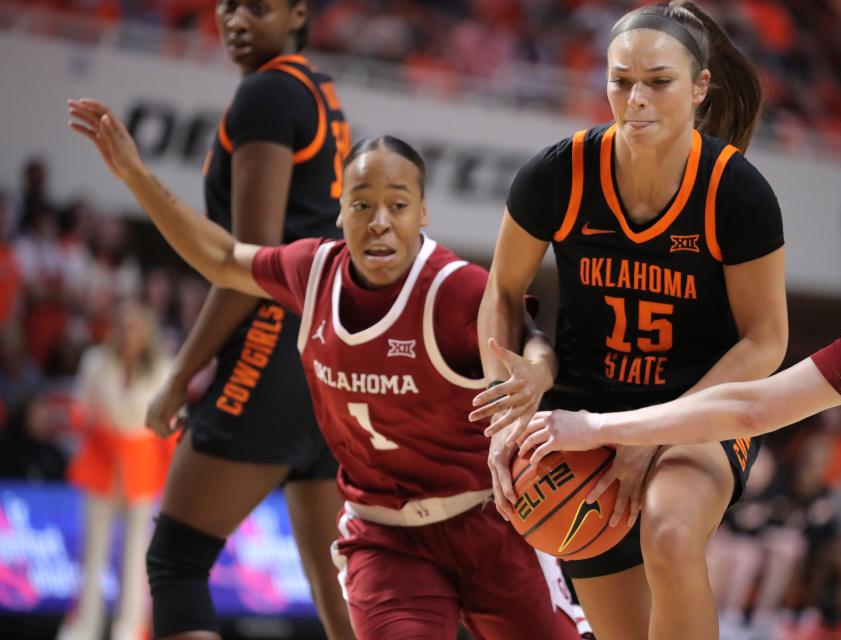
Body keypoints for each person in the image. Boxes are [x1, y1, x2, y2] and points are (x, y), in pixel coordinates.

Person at [66, 97, 583, 640]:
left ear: (423, 213)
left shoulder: (455, 289)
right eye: (362, 205)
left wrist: (539, 373)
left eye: (398, 205)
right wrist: (135, 175)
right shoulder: (312, 271)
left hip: (489, 521)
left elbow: (532, 342)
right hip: (388, 538)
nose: (379, 222)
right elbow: (221, 257)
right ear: (341, 211)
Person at [472, 2, 787, 639]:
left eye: (658, 81)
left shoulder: (737, 192)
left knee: (669, 533)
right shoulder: (557, 173)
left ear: (700, 87)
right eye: (621, 81)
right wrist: (509, 406)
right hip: (584, 410)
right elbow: (502, 292)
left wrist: (657, 431)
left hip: (700, 402)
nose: (635, 98)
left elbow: (765, 342)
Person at [516, 191, 841, 640]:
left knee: (679, 534)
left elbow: (752, 402)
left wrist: (597, 427)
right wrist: (596, 426)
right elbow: (752, 408)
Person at [71, 1, 353, 638]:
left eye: (259, 7)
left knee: (175, 561)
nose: (236, 19)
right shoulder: (317, 87)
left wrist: (177, 377)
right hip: (330, 355)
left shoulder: (266, 93)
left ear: (298, 12)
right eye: (228, 4)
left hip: (277, 343)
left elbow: (245, 263)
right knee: (341, 597)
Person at [58, 301, 174, 640]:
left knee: (136, 558)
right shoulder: (95, 362)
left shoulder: (162, 368)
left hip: (142, 470)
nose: (128, 333)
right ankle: (84, 626)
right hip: (100, 464)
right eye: (123, 326)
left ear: (147, 333)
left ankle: (130, 629)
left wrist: (167, 475)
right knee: (92, 553)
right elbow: (80, 409)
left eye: (135, 327)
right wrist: (88, 424)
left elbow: (168, 427)